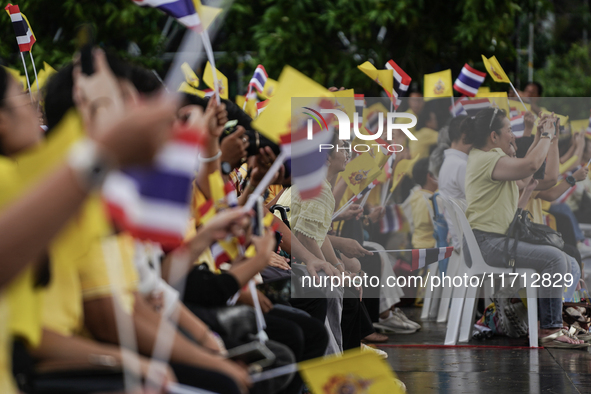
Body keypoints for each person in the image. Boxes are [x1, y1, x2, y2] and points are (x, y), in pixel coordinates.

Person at [463, 107, 587, 348]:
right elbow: (531, 165)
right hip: (487, 243)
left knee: (568, 260)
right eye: (509, 129)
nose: (513, 134)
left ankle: (559, 324)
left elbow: (528, 171)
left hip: (491, 241)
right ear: (494, 136)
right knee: (554, 259)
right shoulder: (488, 159)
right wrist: (548, 135)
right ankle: (549, 329)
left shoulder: (487, 158)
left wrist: (542, 135)